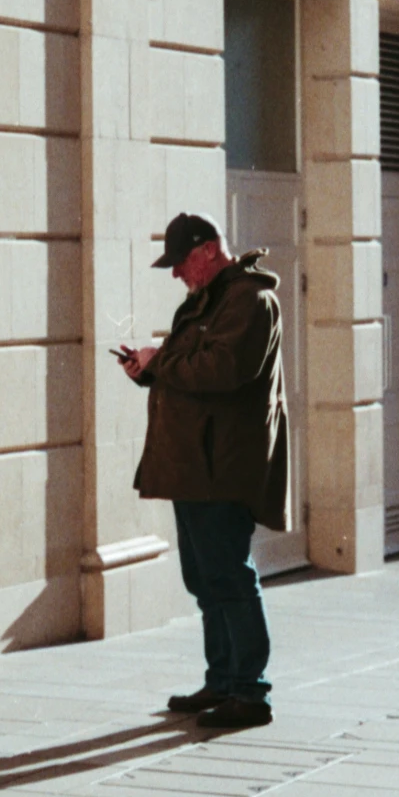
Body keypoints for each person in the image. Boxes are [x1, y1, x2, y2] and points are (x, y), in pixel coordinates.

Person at [121, 211, 289, 731]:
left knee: (228, 577)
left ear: (211, 249)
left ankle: (250, 692)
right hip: (193, 465)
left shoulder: (251, 300)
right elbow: (190, 366)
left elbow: (222, 370)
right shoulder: (206, 302)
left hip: (223, 466)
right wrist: (147, 370)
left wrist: (159, 362)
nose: (176, 274)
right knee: (204, 578)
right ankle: (222, 680)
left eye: (181, 262)